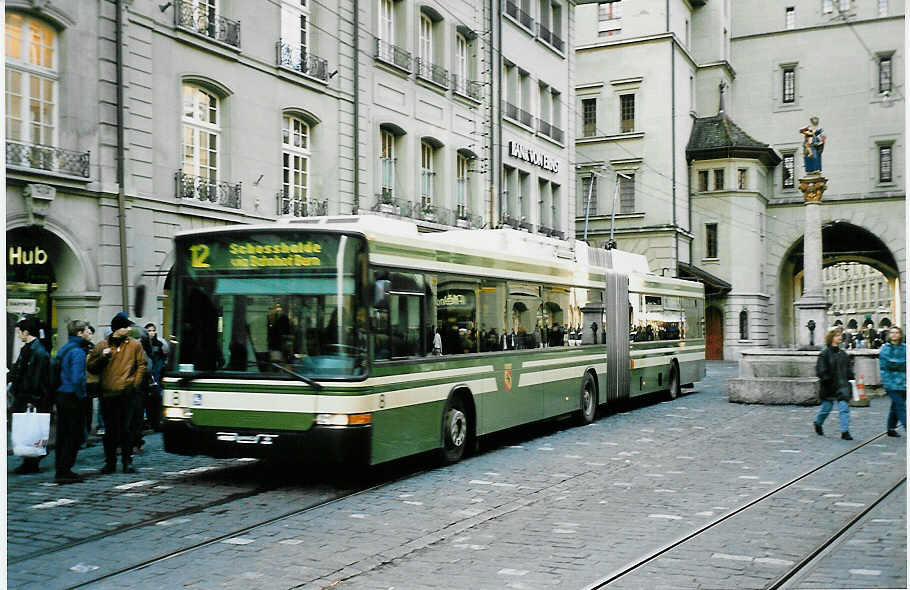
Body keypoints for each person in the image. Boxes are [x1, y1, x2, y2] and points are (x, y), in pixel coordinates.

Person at [87, 312, 147, 474]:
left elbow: (142, 364)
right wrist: (102, 357)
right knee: (110, 431)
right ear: (117, 329)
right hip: (107, 393)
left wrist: (134, 383)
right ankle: (110, 462)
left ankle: (127, 462)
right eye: (125, 327)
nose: (128, 329)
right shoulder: (102, 345)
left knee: (126, 430)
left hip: (127, 393)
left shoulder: (134, 345)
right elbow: (91, 367)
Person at [9, 317, 51, 474]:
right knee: (25, 428)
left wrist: (31, 399)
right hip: (24, 396)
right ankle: (29, 461)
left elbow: (35, 379)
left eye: (20, 332)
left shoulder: (38, 352)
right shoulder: (29, 348)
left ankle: (32, 461)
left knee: (32, 429)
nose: (18, 335)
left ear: (26, 332)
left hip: (32, 398)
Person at [53, 319, 93, 484]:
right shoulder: (78, 351)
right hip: (72, 396)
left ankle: (60, 469)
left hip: (62, 394)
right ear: (79, 333)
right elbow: (78, 378)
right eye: (85, 330)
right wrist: (82, 396)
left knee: (62, 435)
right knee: (73, 435)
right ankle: (65, 470)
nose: (87, 332)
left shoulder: (65, 347)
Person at [814, 327, 854, 440]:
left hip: (842, 385)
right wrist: (826, 378)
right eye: (837, 335)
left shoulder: (843, 354)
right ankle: (818, 423)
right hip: (829, 386)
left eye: (840, 335)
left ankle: (845, 432)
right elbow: (820, 370)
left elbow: (848, 369)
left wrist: (851, 376)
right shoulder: (824, 354)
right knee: (826, 408)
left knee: (844, 408)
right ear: (831, 338)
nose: (840, 337)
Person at [879, 326, 906, 437]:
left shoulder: (905, 348)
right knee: (901, 406)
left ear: (900, 334)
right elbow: (888, 364)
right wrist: (900, 364)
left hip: (904, 382)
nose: (894, 335)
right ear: (889, 335)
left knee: (895, 406)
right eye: (892, 333)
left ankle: (890, 428)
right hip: (890, 382)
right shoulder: (885, 349)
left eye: (897, 332)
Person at [144, 323, 169, 431]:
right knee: (148, 400)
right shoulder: (143, 344)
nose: (151, 333)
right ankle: (150, 421)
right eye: (149, 330)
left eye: (153, 330)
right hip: (148, 375)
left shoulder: (158, 344)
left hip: (156, 374)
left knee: (157, 399)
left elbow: (162, 360)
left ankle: (156, 421)